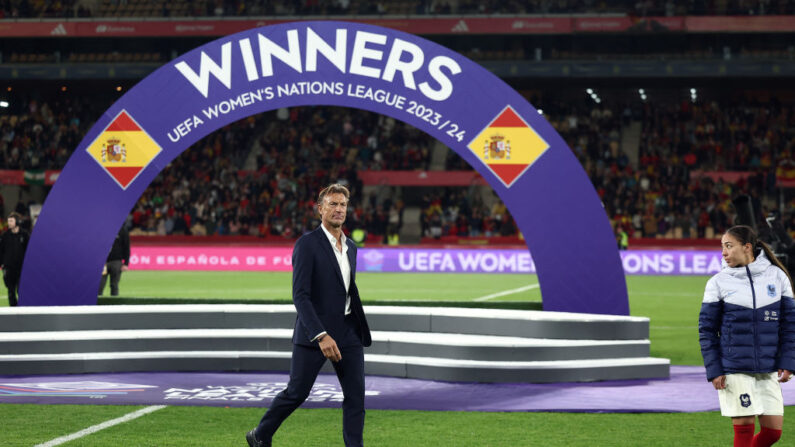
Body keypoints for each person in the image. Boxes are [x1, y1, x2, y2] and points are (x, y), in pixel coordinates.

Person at [247, 183, 372, 447]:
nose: (338, 209)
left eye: (343, 205)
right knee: (296, 393)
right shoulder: (307, 244)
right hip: (315, 334)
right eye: (333, 204)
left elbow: (345, 289)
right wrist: (321, 334)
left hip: (349, 333)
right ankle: (260, 434)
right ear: (320, 209)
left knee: (356, 398)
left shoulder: (351, 247)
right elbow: (300, 295)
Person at [699, 225, 795, 447]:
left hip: (768, 367)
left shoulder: (777, 276)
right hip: (734, 368)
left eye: (729, 246)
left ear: (747, 247)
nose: (724, 252)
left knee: (773, 433)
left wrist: (788, 362)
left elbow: (790, 325)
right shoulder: (718, 282)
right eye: (722, 247)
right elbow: (706, 330)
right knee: (744, 430)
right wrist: (715, 369)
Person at [0, 212, 29, 306]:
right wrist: (2, 264)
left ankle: (23, 308)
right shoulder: (5, 236)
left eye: (11, 221)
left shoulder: (24, 235)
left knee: (21, 289)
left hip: (22, 268)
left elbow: (29, 250)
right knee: (11, 290)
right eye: (8, 221)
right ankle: (13, 310)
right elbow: (1, 250)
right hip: (9, 267)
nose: (9, 223)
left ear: (17, 221)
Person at [99, 225, 130, 296]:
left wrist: (126, 263)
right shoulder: (102, 229)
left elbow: (126, 247)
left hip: (116, 262)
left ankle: (114, 305)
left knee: (114, 285)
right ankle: (97, 304)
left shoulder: (122, 230)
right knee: (99, 285)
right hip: (103, 263)